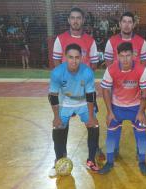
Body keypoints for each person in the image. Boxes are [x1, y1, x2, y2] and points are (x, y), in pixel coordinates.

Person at [48, 43, 101, 177]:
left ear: (81, 57)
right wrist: (56, 117)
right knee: (58, 127)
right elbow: (53, 96)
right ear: (65, 57)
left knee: (94, 125)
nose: (74, 61)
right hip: (66, 102)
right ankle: (59, 160)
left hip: (83, 101)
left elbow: (90, 96)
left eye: (77, 57)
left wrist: (91, 116)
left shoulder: (87, 72)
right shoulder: (57, 73)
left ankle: (91, 160)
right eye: (71, 57)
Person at [99, 42, 146, 176]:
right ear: (117, 56)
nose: (125, 59)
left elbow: (145, 93)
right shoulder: (111, 69)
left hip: (135, 107)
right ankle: (109, 162)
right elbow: (105, 90)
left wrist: (141, 112)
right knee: (111, 133)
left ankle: (142, 161)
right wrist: (109, 112)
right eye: (122, 56)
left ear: (133, 55)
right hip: (117, 107)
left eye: (128, 55)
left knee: (141, 132)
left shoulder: (141, 69)